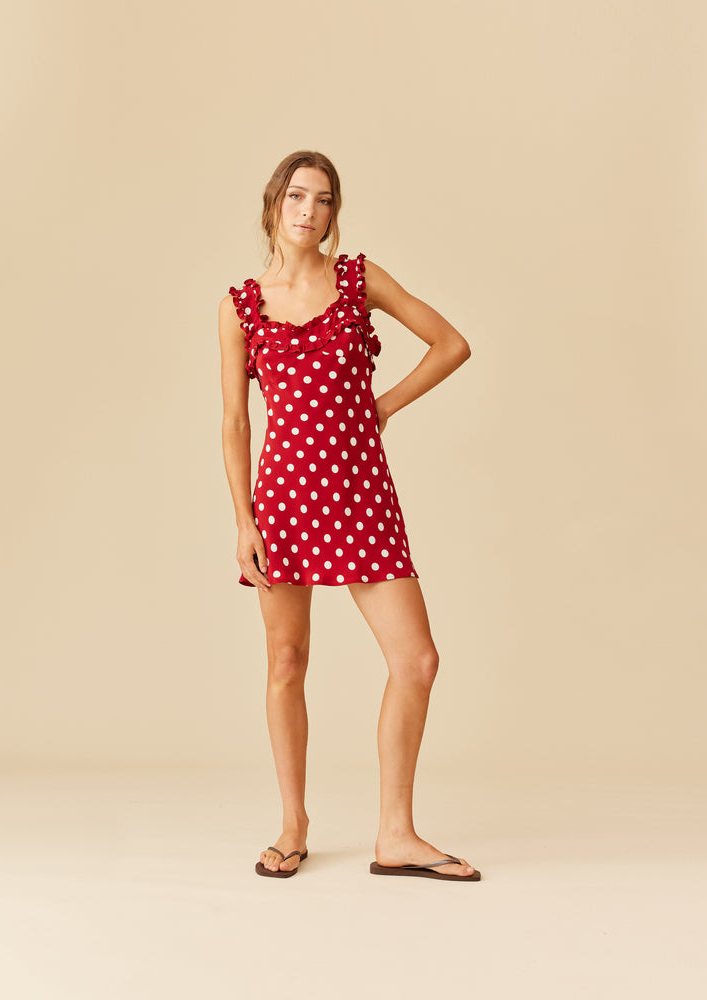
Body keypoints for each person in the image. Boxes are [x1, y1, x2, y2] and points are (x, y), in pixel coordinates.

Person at [218, 150, 480, 882]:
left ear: (335, 212)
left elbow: (452, 344)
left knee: (416, 660)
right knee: (286, 661)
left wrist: (382, 404)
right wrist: (244, 522)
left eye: (324, 199)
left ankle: (396, 834)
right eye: (297, 196)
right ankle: (292, 825)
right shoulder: (241, 305)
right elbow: (235, 422)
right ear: (274, 204)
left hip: (361, 494)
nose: (310, 210)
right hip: (283, 502)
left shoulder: (360, 280)